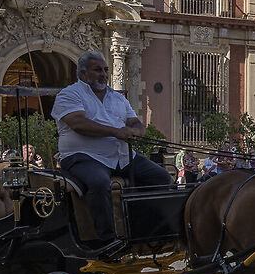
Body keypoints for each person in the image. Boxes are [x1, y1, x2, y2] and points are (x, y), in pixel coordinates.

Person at [52, 51, 170, 249]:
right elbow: (78, 123)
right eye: (98, 70)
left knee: (161, 177)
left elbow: (135, 122)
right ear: (83, 73)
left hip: (121, 157)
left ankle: (144, 230)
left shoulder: (118, 98)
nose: (104, 74)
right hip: (83, 157)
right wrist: (117, 132)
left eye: (106, 70)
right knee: (98, 182)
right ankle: (105, 240)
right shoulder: (69, 94)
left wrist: (136, 131)